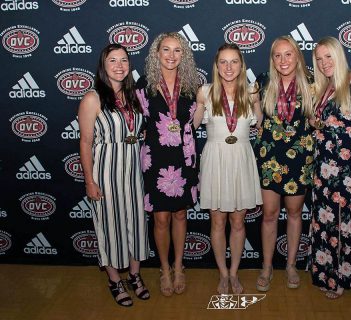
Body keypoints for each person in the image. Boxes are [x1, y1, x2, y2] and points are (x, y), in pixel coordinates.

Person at [78, 43, 150, 307]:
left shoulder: (134, 97)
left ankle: (134, 275)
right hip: (106, 173)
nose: (119, 65)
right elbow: (85, 142)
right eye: (113, 60)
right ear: (103, 66)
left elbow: (137, 131)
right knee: (109, 228)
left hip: (134, 172)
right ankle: (114, 280)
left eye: (124, 60)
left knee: (136, 226)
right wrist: (89, 181)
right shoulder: (92, 98)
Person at [308, 36, 351, 299]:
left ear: (339, 56)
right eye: (319, 58)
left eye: (329, 56)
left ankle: (342, 279)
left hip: (348, 171)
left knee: (344, 226)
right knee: (325, 225)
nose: (324, 63)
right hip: (324, 170)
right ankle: (327, 275)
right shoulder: (325, 87)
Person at [194, 43, 262, 294]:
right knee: (217, 221)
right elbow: (192, 125)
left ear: (242, 65)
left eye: (234, 61)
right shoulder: (205, 92)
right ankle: (222, 274)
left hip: (241, 159)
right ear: (216, 66)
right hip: (216, 159)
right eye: (223, 61)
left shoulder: (252, 92)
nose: (229, 67)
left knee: (238, 220)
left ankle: (234, 273)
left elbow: (260, 122)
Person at [135, 32, 200, 296]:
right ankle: (164, 269)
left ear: (184, 55)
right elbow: (135, 122)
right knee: (160, 217)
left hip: (184, 157)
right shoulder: (144, 85)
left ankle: (179, 266)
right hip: (156, 157)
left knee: (181, 214)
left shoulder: (191, 85)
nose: (171, 55)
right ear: (156, 53)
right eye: (166, 50)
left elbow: (195, 124)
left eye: (177, 50)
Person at [253, 35, 314, 291]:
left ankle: (291, 265)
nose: (283, 60)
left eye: (288, 54)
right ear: (272, 59)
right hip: (270, 157)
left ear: (297, 55)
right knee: (269, 214)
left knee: (295, 214)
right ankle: (267, 266)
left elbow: (317, 120)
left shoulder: (312, 83)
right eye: (277, 55)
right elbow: (256, 120)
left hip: (300, 158)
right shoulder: (263, 82)